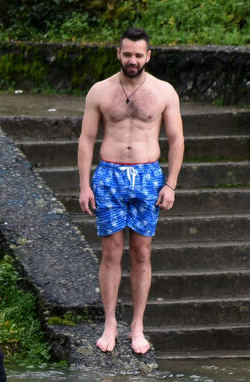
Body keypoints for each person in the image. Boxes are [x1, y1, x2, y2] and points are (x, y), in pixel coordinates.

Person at [78, 26, 184, 355]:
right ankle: (110, 322)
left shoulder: (164, 92)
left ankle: (137, 324)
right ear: (118, 53)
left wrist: (170, 184)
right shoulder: (99, 91)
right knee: (111, 253)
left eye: (139, 55)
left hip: (148, 175)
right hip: (109, 174)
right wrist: (84, 185)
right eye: (127, 54)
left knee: (141, 253)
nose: (133, 60)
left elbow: (177, 140)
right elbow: (86, 139)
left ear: (148, 56)